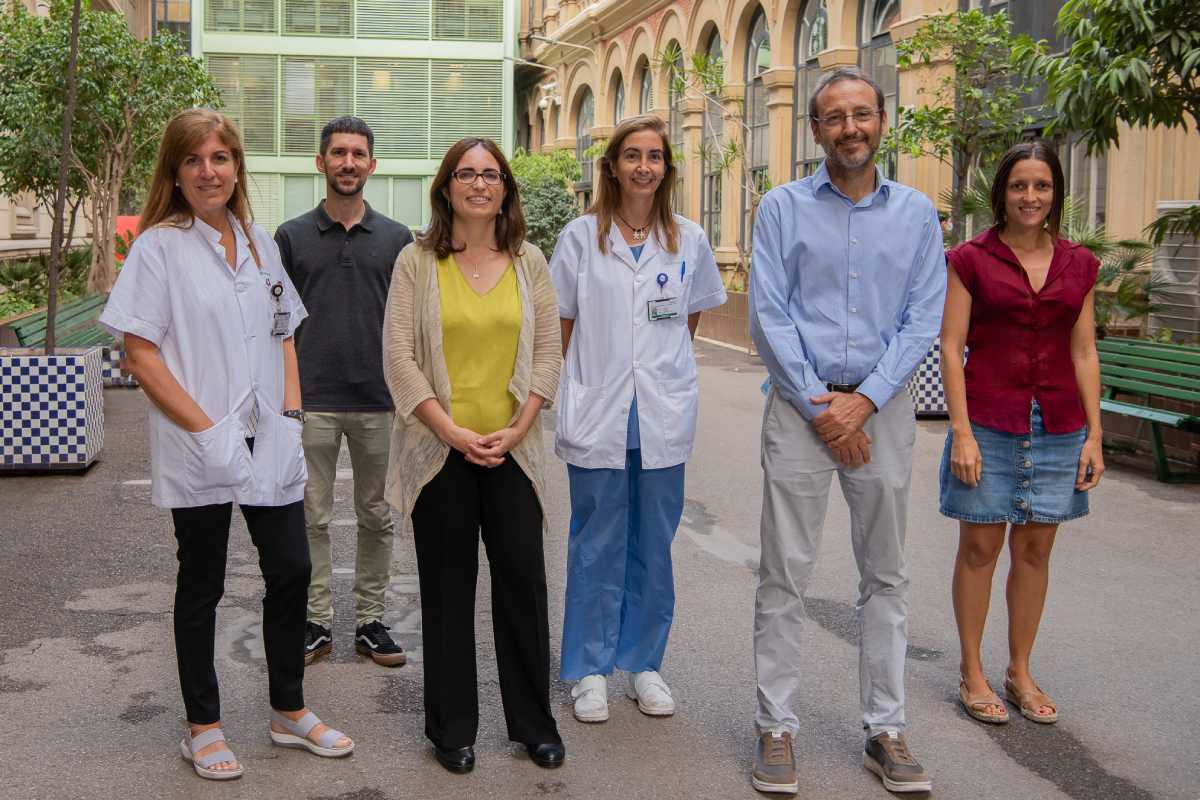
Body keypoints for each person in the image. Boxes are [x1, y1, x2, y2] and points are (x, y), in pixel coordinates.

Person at [99, 108, 353, 781]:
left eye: (220, 158)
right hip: (200, 437)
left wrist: (292, 416)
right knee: (203, 582)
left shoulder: (261, 242)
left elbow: (284, 332)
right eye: (193, 161)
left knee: (292, 570)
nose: (209, 172)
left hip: (268, 430)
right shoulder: (160, 246)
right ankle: (202, 726)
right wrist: (205, 428)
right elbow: (139, 353)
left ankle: (288, 711)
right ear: (175, 174)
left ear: (237, 166)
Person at [747, 68, 946, 795]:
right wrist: (822, 406)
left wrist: (863, 403)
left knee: (886, 575)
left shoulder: (918, 213)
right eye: (835, 117)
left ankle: (886, 730)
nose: (851, 128)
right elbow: (770, 315)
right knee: (784, 573)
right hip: (802, 412)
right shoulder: (781, 208)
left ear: (883, 120)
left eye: (863, 114)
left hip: (882, 412)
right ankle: (776, 726)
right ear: (815, 129)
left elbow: (923, 317)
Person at [381, 137, 564, 774]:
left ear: (505, 189)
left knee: (523, 586)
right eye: (467, 173)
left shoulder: (530, 261)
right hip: (440, 453)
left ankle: (534, 725)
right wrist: (451, 432)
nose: (479, 184)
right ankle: (451, 730)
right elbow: (399, 359)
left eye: (491, 174)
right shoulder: (416, 262)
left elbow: (548, 357)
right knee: (447, 592)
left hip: (514, 450)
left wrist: (517, 429)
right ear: (447, 187)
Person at [549, 115, 727, 723]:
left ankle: (645, 663)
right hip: (598, 408)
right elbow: (562, 326)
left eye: (654, 156)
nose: (643, 167)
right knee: (595, 542)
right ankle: (589, 669)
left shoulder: (689, 240)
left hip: (660, 413)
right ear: (613, 166)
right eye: (632, 156)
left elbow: (688, 319)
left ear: (666, 169)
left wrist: (658, 370)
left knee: (654, 542)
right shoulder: (579, 237)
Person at [940, 141, 1104, 727]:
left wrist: (1095, 436)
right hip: (988, 419)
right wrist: (961, 432)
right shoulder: (970, 259)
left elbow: (1083, 350)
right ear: (1001, 194)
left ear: (1055, 192)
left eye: (1040, 186)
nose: (1029, 197)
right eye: (1018, 186)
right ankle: (972, 671)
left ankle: (1020, 670)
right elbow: (951, 346)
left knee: (1034, 551)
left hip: (1060, 424)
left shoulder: (1079, 263)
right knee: (980, 548)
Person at [274, 116, 413, 668]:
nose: (348, 162)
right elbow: (276, 324)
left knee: (378, 516)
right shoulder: (291, 236)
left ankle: (372, 621)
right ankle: (315, 621)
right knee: (311, 517)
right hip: (312, 402)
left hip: (381, 401)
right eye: (338, 153)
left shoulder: (399, 239)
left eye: (358, 154)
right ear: (321, 162)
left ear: (371, 165)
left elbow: (409, 325)